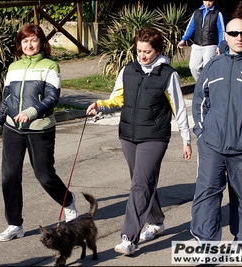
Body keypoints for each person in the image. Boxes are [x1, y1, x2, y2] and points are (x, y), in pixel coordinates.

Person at [87, 27, 192, 256]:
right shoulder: (129, 70)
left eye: (147, 51)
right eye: (139, 51)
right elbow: (117, 98)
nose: (142, 56)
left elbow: (179, 108)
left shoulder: (168, 74)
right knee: (142, 182)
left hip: (154, 138)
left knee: (139, 185)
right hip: (128, 135)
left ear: (157, 50)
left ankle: (129, 238)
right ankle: (157, 221)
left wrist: (186, 138)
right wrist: (100, 106)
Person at [0, 23, 78, 242]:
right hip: (12, 128)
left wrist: (31, 112)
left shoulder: (51, 66)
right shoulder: (13, 67)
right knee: (9, 177)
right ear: (20, 44)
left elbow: (51, 98)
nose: (29, 45)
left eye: (34, 40)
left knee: (45, 176)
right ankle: (14, 224)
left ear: (41, 42)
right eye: (25, 41)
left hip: (40, 129)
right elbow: (7, 98)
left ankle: (67, 200)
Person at [190, 18, 242, 242]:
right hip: (212, 147)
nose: (239, 37)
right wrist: (201, 134)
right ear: (225, 36)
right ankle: (206, 243)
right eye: (233, 33)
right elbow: (199, 101)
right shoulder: (213, 66)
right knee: (207, 195)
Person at [177, 1, 225, 82]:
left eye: (210, 1)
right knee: (193, 67)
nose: (208, 3)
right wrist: (184, 39)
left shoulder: (217, 13)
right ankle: (201, 84)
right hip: (197, 44)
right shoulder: (197, 12)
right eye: (206, 1)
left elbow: (221, 31)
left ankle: (209, 86)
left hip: (210, 45)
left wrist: (220, 45)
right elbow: (191, 26)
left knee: (208, 67)